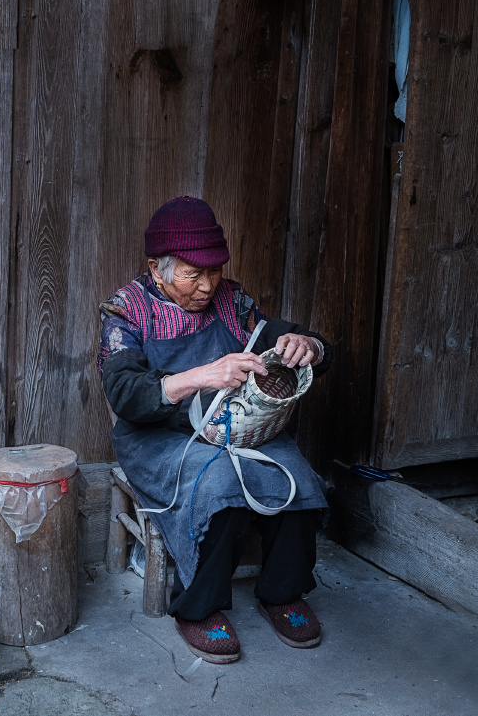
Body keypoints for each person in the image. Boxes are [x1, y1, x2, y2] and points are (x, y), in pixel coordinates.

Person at [98, 196, 332, 664]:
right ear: (157, 268)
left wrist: (308, 344)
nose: (207, 285)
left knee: (297, 478)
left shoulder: (232, 300)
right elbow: (125, 393)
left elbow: (287, 339)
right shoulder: (126, 311)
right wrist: (202, 375)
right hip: (160, 436)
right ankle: (198, 607)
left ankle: (282, 592)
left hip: (234, 425)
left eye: (214, 271)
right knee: (218, 483)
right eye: (193, 274)